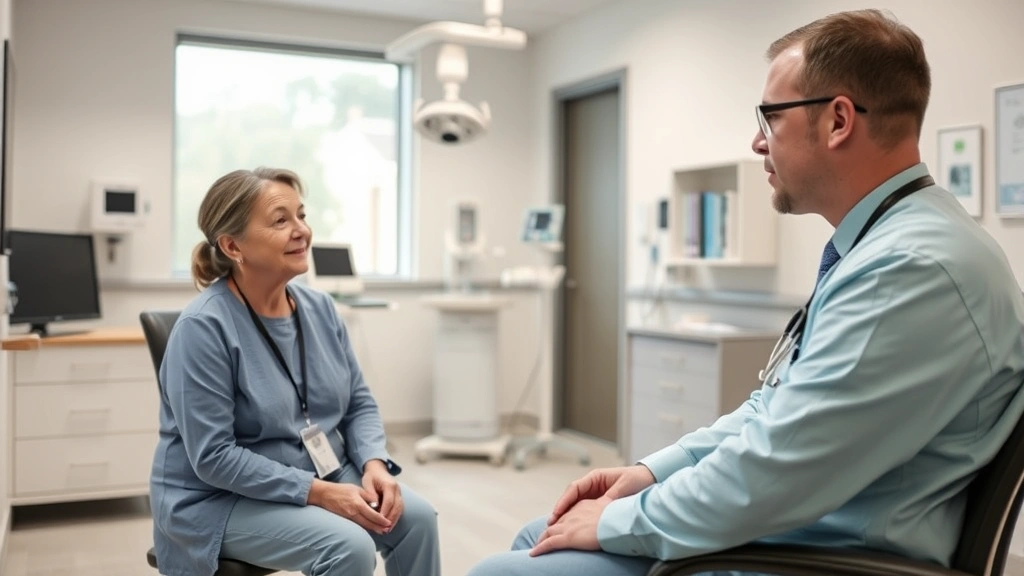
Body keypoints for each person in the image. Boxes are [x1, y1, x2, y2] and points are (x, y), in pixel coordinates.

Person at [467, 9, 1024, 576]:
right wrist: (653, 473)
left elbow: (776, 470)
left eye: (770, 117)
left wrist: (619, 522)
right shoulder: (892, 245)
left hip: (818, 557)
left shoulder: (910, 269)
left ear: (838, 121)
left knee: (503, 568)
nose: (757, 142)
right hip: (794, 531)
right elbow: (778, 411)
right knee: (539, 533)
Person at [150, 167, 441, 576]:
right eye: (281, 220)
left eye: (301, 215)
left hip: (319, 470)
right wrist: (319, 493)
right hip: (218, 498)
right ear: (233, 246)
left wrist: (374, 463)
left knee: (418, 520)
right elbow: (213, 458)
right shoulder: (204, 328)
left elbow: (358, 402)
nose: (301, 230)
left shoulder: (320, 309)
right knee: (350, 547)